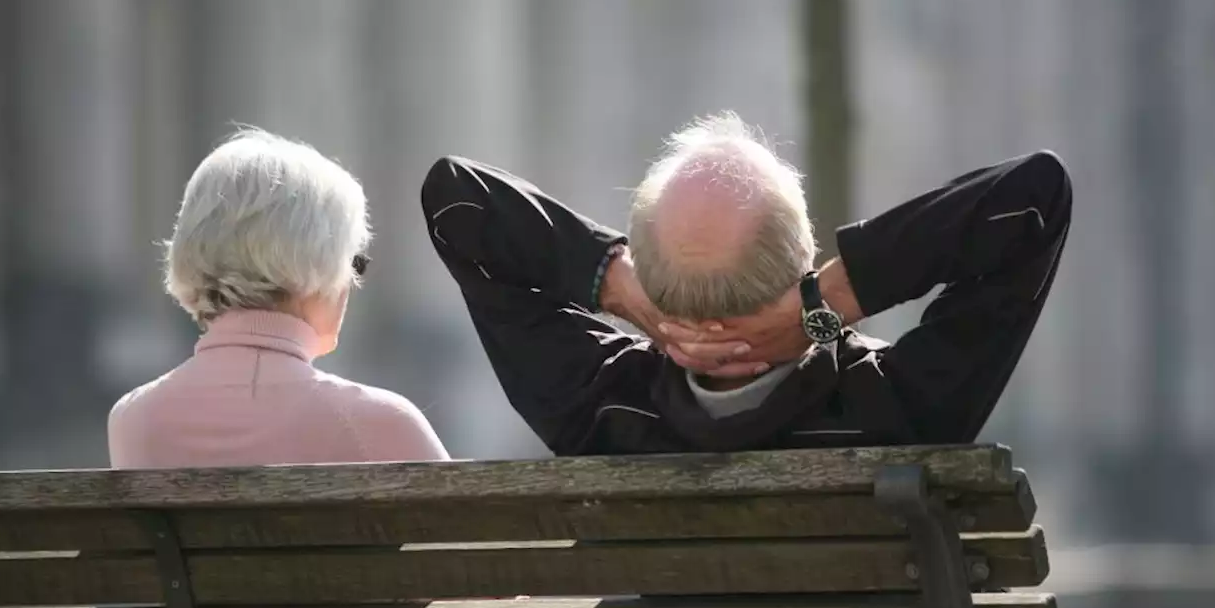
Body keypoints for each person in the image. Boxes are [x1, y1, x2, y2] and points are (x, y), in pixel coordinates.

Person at [421, 112, 1071, 455]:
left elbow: (459, 205)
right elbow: (1033, 201)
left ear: (656, 277)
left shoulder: (598, 411)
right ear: (805, 254)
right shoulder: (900, 407)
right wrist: (827, 305)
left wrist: (623, 292)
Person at [108, 129, 450, 468]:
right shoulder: (380, 422)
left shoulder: (133, 419)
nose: (353, 283)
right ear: (321, 261)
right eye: (353, 262)